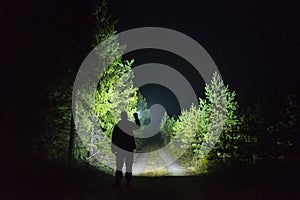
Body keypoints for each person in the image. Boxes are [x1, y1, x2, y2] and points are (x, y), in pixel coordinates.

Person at [111, 111, 140, 188]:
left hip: (120, 149)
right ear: (126, 116)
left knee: (119, 166)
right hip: (129, 148)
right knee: (128, 165)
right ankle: (128, 182)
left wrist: (113, 148)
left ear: (121, 116)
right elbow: (138, 126)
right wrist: (136, 117)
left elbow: (113, 137)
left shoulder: (118, 125)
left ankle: (118, 182)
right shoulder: (129, 124)